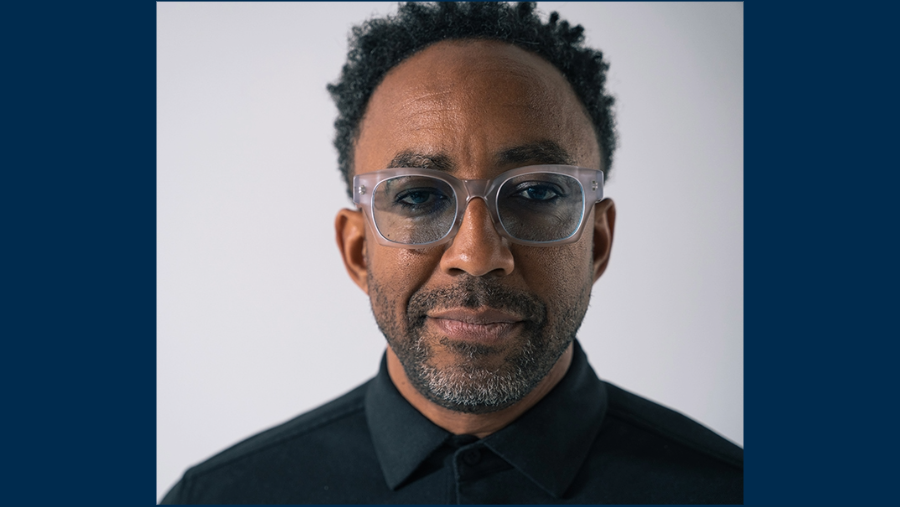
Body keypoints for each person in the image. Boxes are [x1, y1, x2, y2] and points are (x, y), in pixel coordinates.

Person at [161, 2, 742, 504]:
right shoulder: (220, 499)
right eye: (416, 196)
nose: (477, 253)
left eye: (537, 192)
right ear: (359, 250)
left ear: (597, 240)